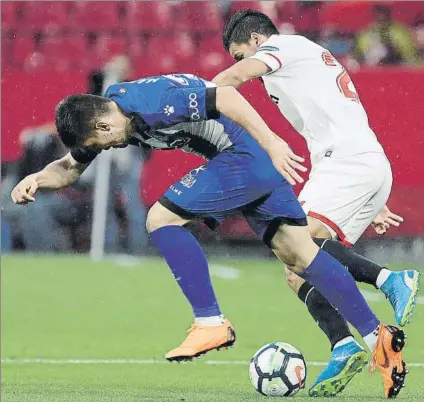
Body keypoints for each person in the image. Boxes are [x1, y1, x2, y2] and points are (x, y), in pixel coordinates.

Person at [12, 73, 407, 399]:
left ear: (101, 124)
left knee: (161, 219)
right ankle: (379, 339)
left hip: (243, 155)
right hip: (246, 160)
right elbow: (69, 167)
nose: (106, 148)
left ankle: (210, 322)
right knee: (301, 256)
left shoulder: (151, 102)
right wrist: (36, 179)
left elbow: (228, 97)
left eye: (100, 142)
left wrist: (271, 143)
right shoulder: (114, 115)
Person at [212, 10, 417, 398]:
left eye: (240, 54)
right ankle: (354, 344)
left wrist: (202, 93)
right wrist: (372, 195)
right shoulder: (304, 60)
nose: (242, 65)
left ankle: (389, 279)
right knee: (297, 269)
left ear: (257, 40)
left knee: (294, 245)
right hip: (359, 162)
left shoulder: (281, 46)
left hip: (347, 163)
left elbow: (235, 79)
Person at [355, 5, 419, 66]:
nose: (381, 16)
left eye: (384, 13)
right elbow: (358, 56)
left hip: (399, 68)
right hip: (372, 70)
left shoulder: (400, 31)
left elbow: (411, 58)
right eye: (379, 13)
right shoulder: (366, 34)